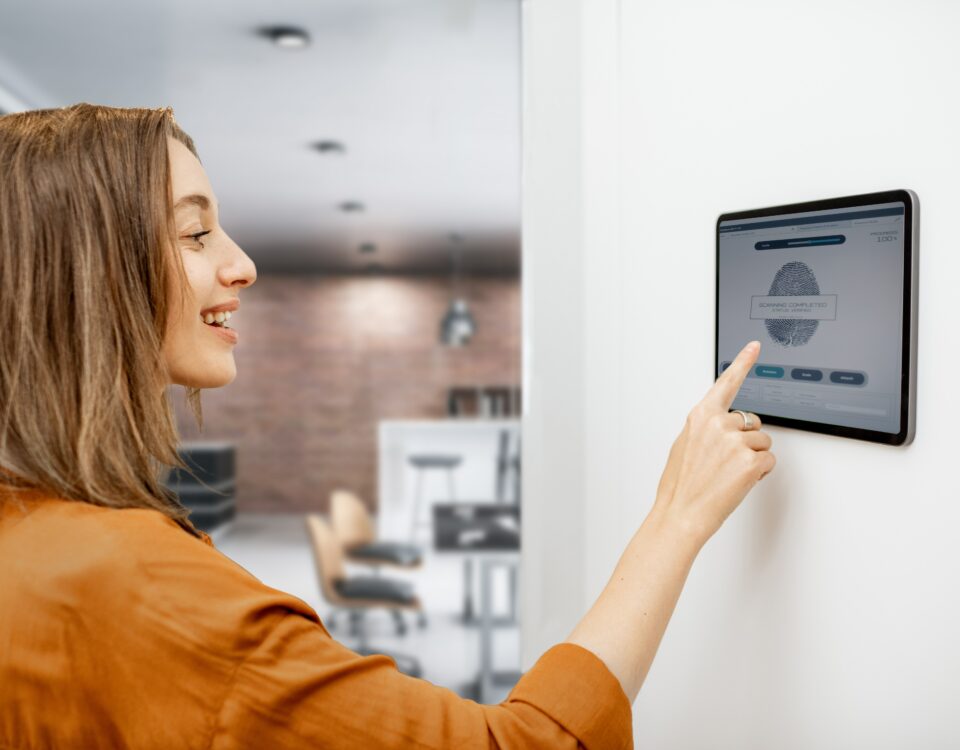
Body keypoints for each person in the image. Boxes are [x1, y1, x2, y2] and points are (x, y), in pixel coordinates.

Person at [0, 104, 776, 749]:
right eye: (195, 234)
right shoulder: (131, 586)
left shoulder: (31, 535)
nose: (242, 265)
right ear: (91, 269)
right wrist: (677, 516)